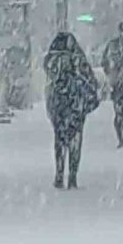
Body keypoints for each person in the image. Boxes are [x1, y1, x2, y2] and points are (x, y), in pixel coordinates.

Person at [43, 32, 99, 189]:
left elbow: (47, 75)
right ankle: (72, 175)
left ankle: (59, 173)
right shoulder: (77, 57)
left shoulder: (51, 60)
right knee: (75, 137)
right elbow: (89, 78)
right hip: (76, 104)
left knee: (59, 138)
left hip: (58, 105)